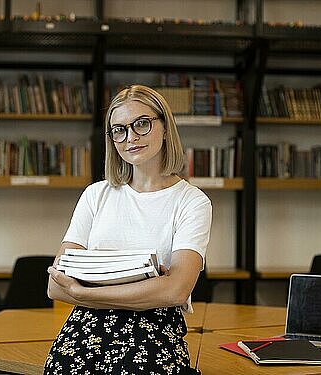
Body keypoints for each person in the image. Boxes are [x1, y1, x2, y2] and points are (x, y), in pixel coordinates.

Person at [44, 84, 212, 374]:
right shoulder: (96, 195)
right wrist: (149, 285)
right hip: (84, 329)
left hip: (155, 331)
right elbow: (56, 285)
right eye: (119, 129)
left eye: (142, 124)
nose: (130, 137)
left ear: (164, 127)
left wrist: (86, 292)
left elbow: (175, 290)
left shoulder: (192, 201)